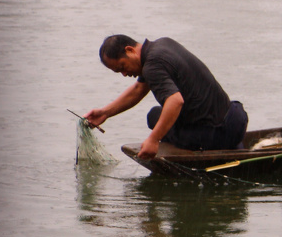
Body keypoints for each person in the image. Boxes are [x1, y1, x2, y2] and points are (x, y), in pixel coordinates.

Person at [84, 35, 248, 159]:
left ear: (130, 50)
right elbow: (137, 90)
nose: (125, 74)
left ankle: (216, 146)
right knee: (159, 114)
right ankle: (235, 145)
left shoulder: (152, 66)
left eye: (122, 67)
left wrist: (154, 139)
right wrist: (105, 113)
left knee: (154, 117)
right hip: (236, 118)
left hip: (218, 133)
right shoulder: (162, 45)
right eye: (119, 72)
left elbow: (175, 101)